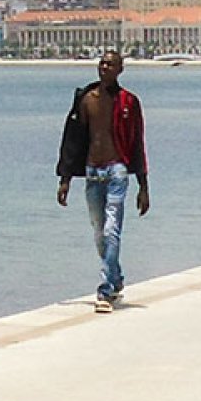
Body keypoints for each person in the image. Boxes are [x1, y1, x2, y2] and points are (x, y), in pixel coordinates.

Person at [56, 50, 149, 314]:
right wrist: (65, 179)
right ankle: (116, 277)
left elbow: (137, 143)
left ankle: (106, 290)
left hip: (117, 170)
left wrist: (143, 186)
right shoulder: (87, 99)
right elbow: (73, 140)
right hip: (92, 172)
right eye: (102, 63)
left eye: (110, 64)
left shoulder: (129, 102)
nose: (104, 68)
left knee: (111, 230)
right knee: (99, 233)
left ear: (120, 69)